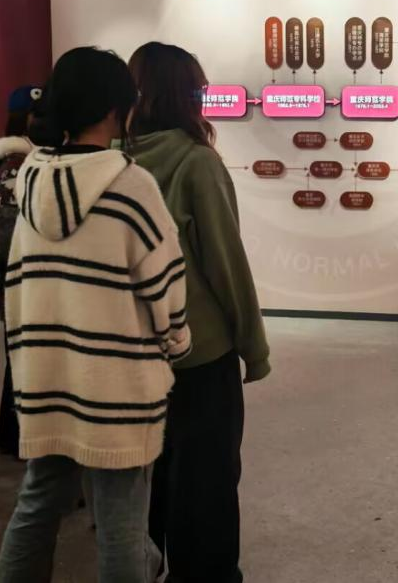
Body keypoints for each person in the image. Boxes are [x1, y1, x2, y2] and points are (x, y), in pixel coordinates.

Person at [0, 47, 190, 583]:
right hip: (116, 382)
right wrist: (177, 339)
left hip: (45, 375)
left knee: (38, 502)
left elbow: (17, 278)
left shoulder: (29, 179)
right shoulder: (130, 184)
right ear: (115, 108)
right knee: (122, 518)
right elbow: (164, 284)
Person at [127, 42, 270, 583]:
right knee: (206, 480)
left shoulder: (113, 162)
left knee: (147, 479)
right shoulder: (196, 162)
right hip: (200, 354)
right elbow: (226, 266)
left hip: (134, 352)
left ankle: (148, 567)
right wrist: (254, 349)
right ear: (186, 96)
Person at [0, 86, 50, 457]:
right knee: (23, 354)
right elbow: (8, 234)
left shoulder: (21, 159)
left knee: (21, 354)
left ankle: (13, 433)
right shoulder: (17, 163)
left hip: (20, 275)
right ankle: (19, 434)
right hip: (19, 277)